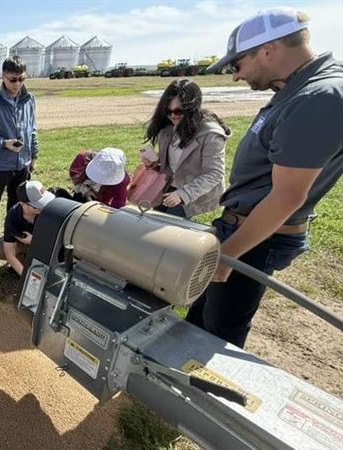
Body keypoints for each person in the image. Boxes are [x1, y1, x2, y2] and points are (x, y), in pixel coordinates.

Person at [185, 7, 343, 348]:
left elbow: (288, 196)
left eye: (237, 64)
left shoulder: (317, 99)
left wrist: (229, 254)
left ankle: (205, 397)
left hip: (255, 238)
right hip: (241, 228)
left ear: (268, 50)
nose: (235, 76)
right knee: (201, 314)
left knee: (220, 331)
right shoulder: (296, 91)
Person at [141, 79, 230, 218]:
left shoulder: (211, 134)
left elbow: (214, 174)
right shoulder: (168, 127)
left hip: (196, 192)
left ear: (192, 108)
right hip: (169, 186)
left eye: (178, 111)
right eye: (168, 111)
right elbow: (177, 160)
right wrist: (156, 162)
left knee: (169, 226)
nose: (173, 116)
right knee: (150, 217)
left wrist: (184, 194)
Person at [0, 55, 39, 214]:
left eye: (21, 79)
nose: (17, 84)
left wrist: (33, 156)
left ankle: (11, 234)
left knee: (17, 203)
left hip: (23, 163)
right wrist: (4, 143)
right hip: (0, 165)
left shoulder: (29, 100)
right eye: (12, 80)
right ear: (3, 77)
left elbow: (32, 129)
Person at [0, 180, 54, 277]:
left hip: (48, 245)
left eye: (44, 201)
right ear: (23, 204)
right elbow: (9, 254)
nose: (42, 207)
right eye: (36, 206)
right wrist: (27, 278)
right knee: (1, 249)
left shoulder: (51, 209)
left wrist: (35, 240)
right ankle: (24, 263)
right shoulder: (13, 216)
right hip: (27, 245)